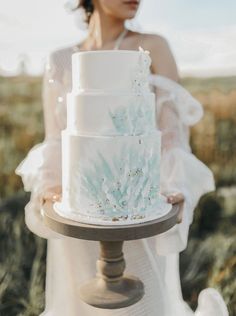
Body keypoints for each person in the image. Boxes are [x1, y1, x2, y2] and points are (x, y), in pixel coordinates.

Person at [15, 0, 229, 315]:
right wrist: (50, 189)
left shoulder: (152, 47)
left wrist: (176, 186)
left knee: (142, 303)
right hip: (77, 212)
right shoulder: (59, 60)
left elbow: (172, 137)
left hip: (139, 205)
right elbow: (55, 140)